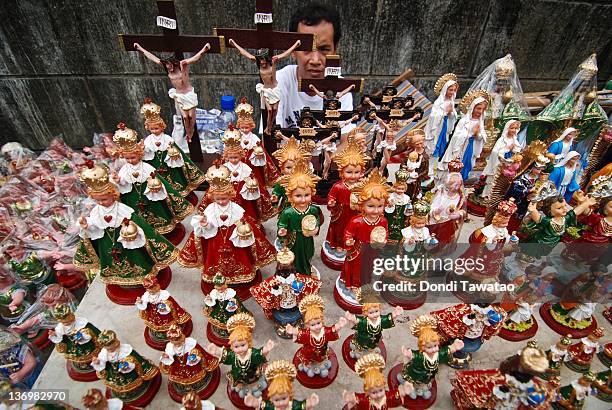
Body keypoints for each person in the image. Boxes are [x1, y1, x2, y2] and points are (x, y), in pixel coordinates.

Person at [273, 3, 353, 129]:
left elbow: (345, 139)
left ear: (335, 49)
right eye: (306, 49)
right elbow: (269, 138)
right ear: (292, 50)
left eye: (324, 49)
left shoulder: (341, 89)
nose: (315, 60)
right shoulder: (278, 82)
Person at [134, 43, 211, 142]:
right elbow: (153, 58)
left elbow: (195, 58)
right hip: (179, 95)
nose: (168, 67)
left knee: (191, 116)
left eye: (169, 65)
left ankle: (190, 132)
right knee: (185, 117)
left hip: (188, 94)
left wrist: (204, 50)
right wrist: (140, 49)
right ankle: (188, 134)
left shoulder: (182, 65)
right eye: (166, 66)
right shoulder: (167, 69)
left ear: (173, 63)